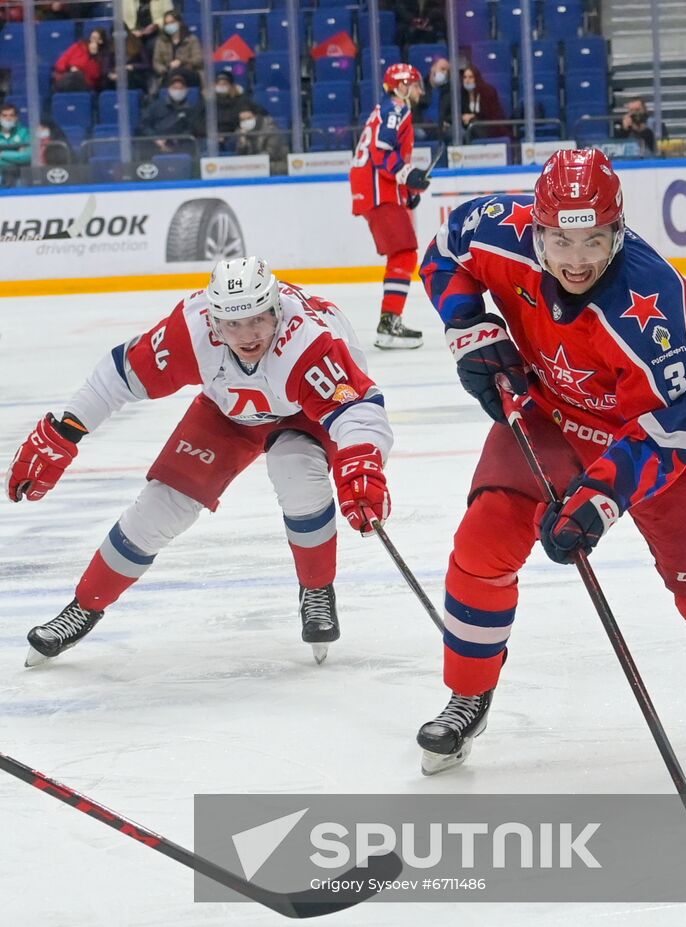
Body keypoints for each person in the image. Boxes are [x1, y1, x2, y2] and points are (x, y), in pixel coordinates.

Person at [414, 147, 686, 775]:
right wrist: (471, 326)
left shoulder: (652, 295)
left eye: (594, 240)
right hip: (553, 416)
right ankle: (468, 692)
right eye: (559, 240)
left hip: (659, 442)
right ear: (536, 229)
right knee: (482, 544)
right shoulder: (497, 228)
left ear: (618, 231)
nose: (575, 259)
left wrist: (601, 499)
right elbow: (443, 251)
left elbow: (673, 423)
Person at [6, 257, 393, 667]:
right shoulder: (190, 332)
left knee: (295, 470)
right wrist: (63, 431)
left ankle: (316, 589)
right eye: (232, 323)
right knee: (161, 506)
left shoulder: (310, 342)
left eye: (258, 320)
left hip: (305, 413)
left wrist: (362, 462)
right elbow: (116, 376)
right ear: (213, 321)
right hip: (227, 412)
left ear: (277, 310)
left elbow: (359, 411)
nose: (247, 335)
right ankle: (83, 606)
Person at [350, 62, 431, 349]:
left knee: (404, 254)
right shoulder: (398, 106)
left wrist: (407, 189)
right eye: (415, 83)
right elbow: (382, 151)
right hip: (378, 192)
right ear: (401, 86)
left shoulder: (385, 108)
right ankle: (389, 324)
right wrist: (408, 175)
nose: (419, 90)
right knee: (404, 254)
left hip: (377, 191)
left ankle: (390, 321)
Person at [440, 64, 509, 141]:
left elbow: (492, 114)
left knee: (474, 127)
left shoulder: (488, 92)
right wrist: (462, 117)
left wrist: (473, 116)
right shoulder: (461, 94)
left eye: (470, 77)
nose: (467, 80)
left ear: (476, 78)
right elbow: (448, 115)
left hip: (489, 128)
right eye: (465, 77)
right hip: (468, 130)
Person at [137, 70, 201, 152]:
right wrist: (156, 139)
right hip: (155, 146)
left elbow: (192, 129)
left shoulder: (191, 109)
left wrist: (174, 142)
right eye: (175, 88)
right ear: (168, 90)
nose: (178, 91)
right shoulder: (156, 106)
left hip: (182, 147)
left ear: (186, 90)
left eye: (180, 88)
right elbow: (144, 125)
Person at [151, 10, 203, 91]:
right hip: (168, 74)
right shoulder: (161, 41)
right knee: (171, 74)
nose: (169, 25)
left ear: (179, 22)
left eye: (172, 22)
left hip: (190, 73)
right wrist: (166, 69)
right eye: (167, 23)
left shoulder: (191, 39)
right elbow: (156, 63)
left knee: (177, 72)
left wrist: (181, 62)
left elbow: (199, 59)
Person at [232, 107, 288, 174]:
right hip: (252, 167)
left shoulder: (271, 128)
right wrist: (242, 140)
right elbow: (240, 155)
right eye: (242, 120)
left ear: (255, 117)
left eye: (249, 118)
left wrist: (252, 163)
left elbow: (271, 153)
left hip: (275, 164)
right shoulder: (241, 131)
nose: (246, 121)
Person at [53, 28, 109, 92]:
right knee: (71, 76)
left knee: (77, 75)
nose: (92, 40)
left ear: (100, 41)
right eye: (91, 37)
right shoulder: (78, 46)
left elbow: (94, 76)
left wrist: (93, 56)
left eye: (95, 38)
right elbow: (60, 62)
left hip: (85, 83)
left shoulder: (101, 56)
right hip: (68, 76)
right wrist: (70, 68)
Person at [0, 102, 29, 185]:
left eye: (11, 115)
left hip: (20, 175)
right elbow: (22, 157)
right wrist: (16, 152)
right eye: (4, 115)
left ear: (16, 117)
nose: (8, 118)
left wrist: (2, 154)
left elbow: (28, 156)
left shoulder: (24, 132)